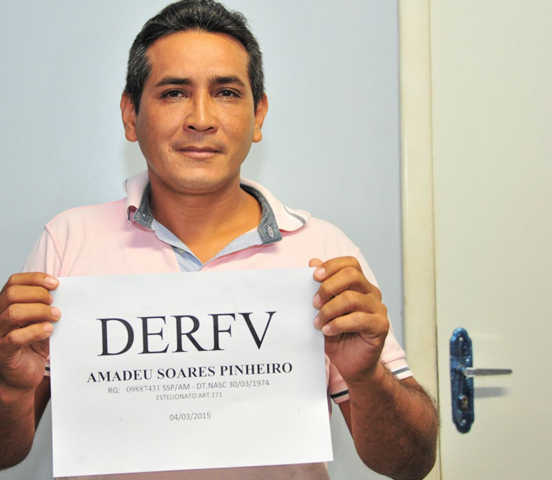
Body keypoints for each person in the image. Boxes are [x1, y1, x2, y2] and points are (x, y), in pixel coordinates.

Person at [0, 1, 438, 479]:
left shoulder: (324, 254)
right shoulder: (67, 242)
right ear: (130, 114)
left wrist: (367, 376)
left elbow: (411, 463)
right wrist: (10, 385)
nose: (201, 118)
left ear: (258, 115)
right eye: (174, 93)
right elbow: (6, 453)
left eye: (226, 92)